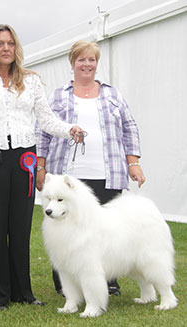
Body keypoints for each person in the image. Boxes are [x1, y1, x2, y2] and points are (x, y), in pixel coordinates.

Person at [0, 24, 82, 311]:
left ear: (16, 48)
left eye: (10, 43)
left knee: (21, 227)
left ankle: (23, 292)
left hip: (25, 159)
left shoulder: (31, 81)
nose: (6, 48)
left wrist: (69, 128)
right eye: (0, 43)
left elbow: (46, 120)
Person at [36, 40, 145, 296]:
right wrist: (40, 165)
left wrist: (134, 163)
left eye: (92, 60)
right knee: (65, 228)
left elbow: (130, 128)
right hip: (68, 176)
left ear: (97, 63)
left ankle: (108, 280)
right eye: (81, 59)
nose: (87, 64)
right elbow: (42, 131)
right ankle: (68, 285)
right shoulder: (59, 95)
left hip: (108, 174)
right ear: (72, 63)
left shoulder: (113, 94)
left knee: (109, 230)